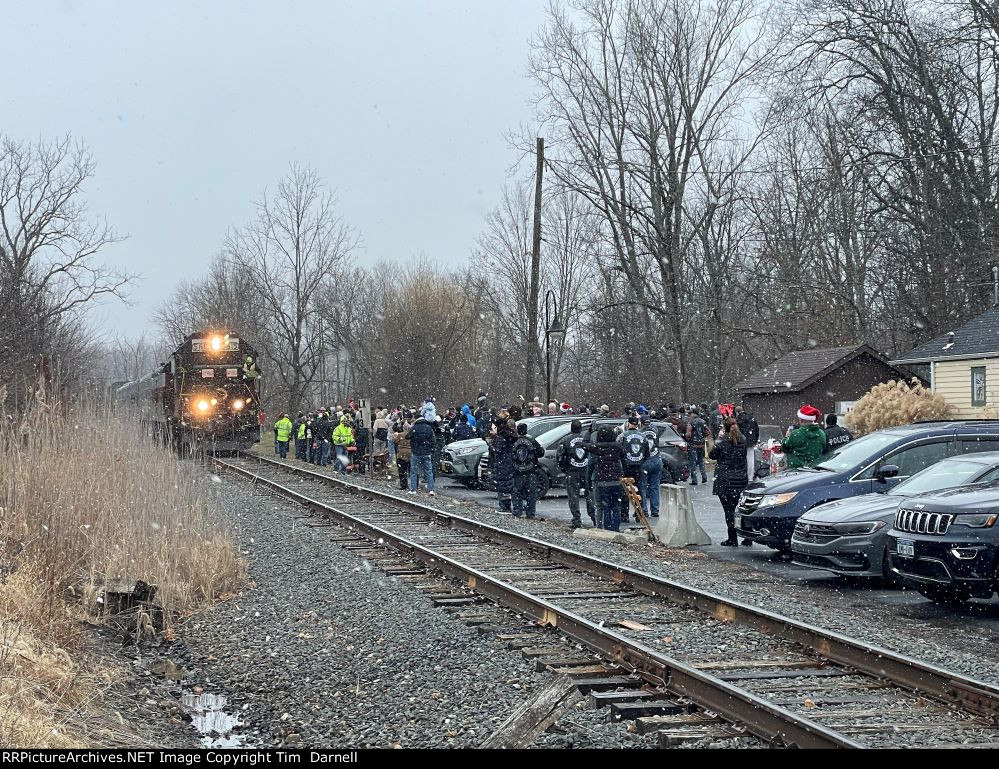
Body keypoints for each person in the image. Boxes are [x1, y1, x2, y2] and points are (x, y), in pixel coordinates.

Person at [709, 417, 749, 546]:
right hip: (741, 478)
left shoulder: (722, 441)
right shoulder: (743, 440)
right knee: (742, 510)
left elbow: (712, 455)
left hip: (725, 479)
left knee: (729, 510)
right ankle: (748, 536)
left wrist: (718, 440)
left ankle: (732, 538)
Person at [585, 425, 627, 532]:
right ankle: (616, 527)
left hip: (603, 480)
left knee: (605, 506)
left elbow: (586, 446)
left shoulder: (598, 447)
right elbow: (624, 455)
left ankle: (607, 528)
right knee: (616, 505)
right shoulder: (617, 447)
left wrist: (588, 434)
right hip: (617, 480)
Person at [557, 419, 595, 528]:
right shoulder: (586, 439)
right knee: (590, 495)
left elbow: (560, 457)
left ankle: (576, 520)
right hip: (586, 471)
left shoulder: (565, 440)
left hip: (572, 471)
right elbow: (592, 454)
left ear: (571, 428)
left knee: (573, 496)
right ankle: (594, 517)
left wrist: (564, 469)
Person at [619, 415, 649, 523]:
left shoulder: (623, 436)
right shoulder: (643, 436)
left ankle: (624, 515)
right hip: (639, 467)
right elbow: (647, 453)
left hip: (626, 467)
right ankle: (639, 514)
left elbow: (619, 451)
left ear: (628, 424)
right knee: (639, 491)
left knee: (626, 491)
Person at [511, 423, 545, 519]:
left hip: (517, 472)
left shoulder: (514, 441)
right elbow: (541, 453)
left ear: (518, 430)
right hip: (530, 471)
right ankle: (530, 513)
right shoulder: (532, 441)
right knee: (531, 494)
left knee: (517, 492)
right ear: (526, 430)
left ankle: (517, 512)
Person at [489, 418, 517, 512]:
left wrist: (490, 444)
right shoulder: (509, 435)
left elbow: (497, 450)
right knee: (508, 485)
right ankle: (511, 506)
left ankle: (504, 507)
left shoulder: (500, 438)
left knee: (502, 486)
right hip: (508, 463)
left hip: (502, 464)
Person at [640, 415, 663, 518]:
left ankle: (644, 510)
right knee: (654, 487)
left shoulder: (640, 432)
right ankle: (655, 510)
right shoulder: (655, 429)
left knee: (643, 487)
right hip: (656, 459)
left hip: (645, 461)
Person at [407, 414, 436, 495]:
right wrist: (431, 449)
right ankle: (431, 489)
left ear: (416, 419)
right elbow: (433, 440)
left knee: (414, 471)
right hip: (426, 453)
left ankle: (413, 489)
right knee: (429, 471)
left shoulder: (414, 428)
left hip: (416, 453)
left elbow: (407, 437)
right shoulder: (429, 428)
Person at [685, 407, 709, 485]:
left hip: (693, 445)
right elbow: (708, 432)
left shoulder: (691, 422)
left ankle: (694, 480)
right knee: (701, 461)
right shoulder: (703, 421)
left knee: (693, 462)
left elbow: (688, 434)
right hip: (701, 444)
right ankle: (704, 477)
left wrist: (687, 438)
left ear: (693, 414)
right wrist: (702, 436)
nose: (689, 415)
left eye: (690, 414)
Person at [736, 405, 760, 481]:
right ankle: (750, 476)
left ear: (737, 412)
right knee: (750, 459)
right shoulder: (751, 418)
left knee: (742, 459)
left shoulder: (738, 420)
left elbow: (738, 432)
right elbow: (757, 429)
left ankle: (743, 475)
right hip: (751, 441)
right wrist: (755, 440)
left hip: (742, 442)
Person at [392, 421, 411, 490]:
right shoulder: (411, 434)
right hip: (410, 454)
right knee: (411, 470)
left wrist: (394, 436)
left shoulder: (400, 435)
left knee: (402, 471)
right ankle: (413, 485)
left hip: (401, 454)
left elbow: (394, 441)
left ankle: (404, 485)